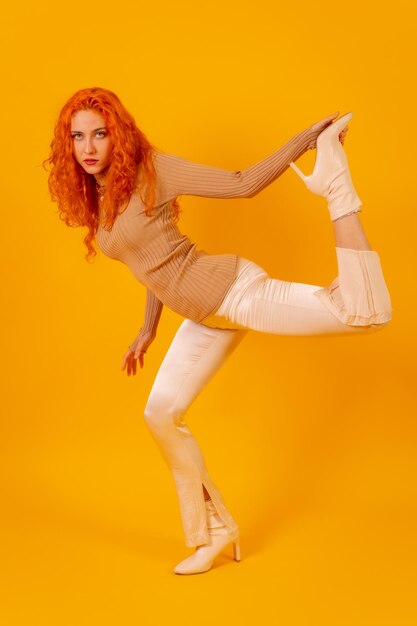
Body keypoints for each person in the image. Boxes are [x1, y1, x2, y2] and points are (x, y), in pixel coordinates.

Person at [44, 87, 393, 576]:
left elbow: (242, 182)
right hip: (204, 314)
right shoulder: (104, 198)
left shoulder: (154, 170)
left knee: (364, 313)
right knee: (161, 413)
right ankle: (213, 532)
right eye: (78, 137)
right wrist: (148, 329)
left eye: (98, 134)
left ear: (116, 133)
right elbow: (152, 265)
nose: (88, 147)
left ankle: (336, 187)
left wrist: (306, 141)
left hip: (232, 292)